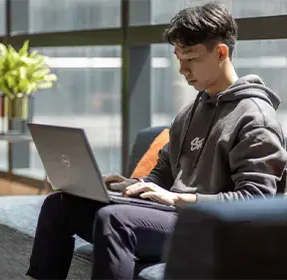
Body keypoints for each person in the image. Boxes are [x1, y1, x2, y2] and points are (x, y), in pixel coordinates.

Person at [27, 2, 287, 280]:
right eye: (178, 58)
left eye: (191, 59)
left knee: (114, 221)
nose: (182, 70)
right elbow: (163, 172)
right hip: (172, 216)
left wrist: (180, 198)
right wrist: (134, 184)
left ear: (221, 52)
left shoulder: (255, 117)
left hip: (214, 230)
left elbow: (254, 201)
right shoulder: (189, 113)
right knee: (59, 205)